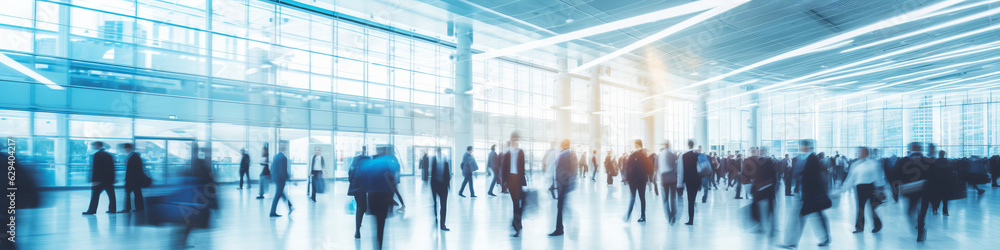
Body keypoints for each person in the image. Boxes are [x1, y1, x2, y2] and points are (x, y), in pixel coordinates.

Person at [780, 140, 831, 249]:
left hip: (811, 194)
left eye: (802, 146)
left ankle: (793, 242)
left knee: (807, 216)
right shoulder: (800, 158)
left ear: (807, 147)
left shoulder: (813, 159)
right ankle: (793, 241)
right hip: (802, 193)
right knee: (807, 216)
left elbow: (814, 177)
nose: (801, 147)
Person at [356, 145, 400, 249]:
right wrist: (391, 200)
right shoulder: (386, 163)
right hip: (383, 197)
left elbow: (363, 181)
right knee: (381, 224)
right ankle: (379, 245)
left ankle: (377, 245)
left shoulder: (370, 164)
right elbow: (392, 182)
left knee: (376, 223)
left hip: (372, 198)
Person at [177, 144, 218, 248]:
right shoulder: (200, 164)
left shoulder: (190, 163)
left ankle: (182, 241)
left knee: (189, 220)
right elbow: (208, 181)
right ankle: (182, 241)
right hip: (197, 197)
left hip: (192, 197)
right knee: (191, 221)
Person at [838, 147, 886, 233]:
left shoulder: (873, 163)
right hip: (860, 188)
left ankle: (878, 225)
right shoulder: (855, 164)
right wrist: (843, 189)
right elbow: (850, 178)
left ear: (866, 153)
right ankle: (859, 228)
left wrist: (880, 189)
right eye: (858, 152)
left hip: (871, 187)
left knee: (872, 207)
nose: (859, 153)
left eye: (860, 152)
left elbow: (877, 176)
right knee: (860, 208)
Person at [550, 139, 577, 236]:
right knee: (561, 206)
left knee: (560, 206)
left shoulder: (564, 154)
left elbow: (560, 169)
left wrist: (557, 184)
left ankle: (559, 229)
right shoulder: (570, 153)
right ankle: (560, 228)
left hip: (562, 184)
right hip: (564, 184)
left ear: (563, 145)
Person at [502, 132, 527, 237]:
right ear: (511, 140)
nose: (515, 142)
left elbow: (523, 167)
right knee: (516, 203)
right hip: (511, 180)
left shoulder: (521, 152)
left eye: (517, 140)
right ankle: (517, 226)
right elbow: (504, 169)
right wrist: (504, 183)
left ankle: (516, 222)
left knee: (522, 202)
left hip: (518, 180)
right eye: (514, 140)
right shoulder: (507, 153)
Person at [83, 141, 117, 215]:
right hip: (108, 179)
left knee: (95, 196)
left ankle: (91, 210)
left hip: (99, 180)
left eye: (93, 146)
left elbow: (96, 169)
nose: (92, 147)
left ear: (97, 146)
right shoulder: (109, 155)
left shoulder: (96, 155)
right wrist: (113, 178)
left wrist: (94, 180)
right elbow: (112, 168)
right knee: (111, 196)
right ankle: (112, 209)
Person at [624, 139, 653, 223]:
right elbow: (650, 168)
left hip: (633, 180)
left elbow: (628, 167)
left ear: (636, 145)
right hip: (642, 180)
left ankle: (628, 216)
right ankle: (643, 216)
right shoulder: (645, 156)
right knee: (642, 198)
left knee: (632, 198)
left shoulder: (633, 155)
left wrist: (628, 179)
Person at [750, 147, 778, 237]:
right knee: (757, 206)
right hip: (761, 188)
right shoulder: (758, 161)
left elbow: (773, 175)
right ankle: (761, 226)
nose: (761, 152)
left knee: (770, 208)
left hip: (768, 188)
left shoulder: (769, 161)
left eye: (762, 151)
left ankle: (772, 228)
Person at [348, 146, 372, 238]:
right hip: (364, 186)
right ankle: (357, 230)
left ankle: (358, 228)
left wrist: (353, 183)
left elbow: (350, 174)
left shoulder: (355, 160)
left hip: (355, 187)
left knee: (360, 207)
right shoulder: (367, 160)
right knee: (362, 208)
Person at [677, 140, 702, 225]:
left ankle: (691, 220)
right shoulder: (697, 155)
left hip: (688, 180)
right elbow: (700, 169)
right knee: (693, 198)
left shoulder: (683, 156)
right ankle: (692, 215)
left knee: (690, 200)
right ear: (693, 145)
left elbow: (681, 170)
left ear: (687, 145)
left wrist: (680, 184)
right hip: (696, 180)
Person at [120, 143, 147, 213]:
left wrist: (127, 179)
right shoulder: (134, 156)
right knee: (137, 193)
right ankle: (139, 207)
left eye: (124, 148)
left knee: (130, 193)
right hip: (135, 179)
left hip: (132, 179)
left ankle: (127, 208)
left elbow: (132, 170)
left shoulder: (133, 156)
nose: (124, 150)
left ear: (128, 148)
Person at [269, 142, 294, 217]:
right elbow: (283, 170)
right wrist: (287, 178)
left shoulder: (275, 156)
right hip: (281, 179)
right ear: (285, 149)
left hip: (275, 178)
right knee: (278, 195)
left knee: (281, 193)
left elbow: (272, 167)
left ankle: (290, 206)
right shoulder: (283, 158)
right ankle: (272, 212)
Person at [657, 141, 680, 224]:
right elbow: (676, 167)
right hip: (673, 179)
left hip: (664, 178)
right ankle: (673, 214)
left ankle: (669, 217)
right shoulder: (673, 155)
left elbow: (657, 168)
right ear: (669, 146)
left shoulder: (659, 155)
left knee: (665, 199)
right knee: (673, 198)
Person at [430, 147, 452, 231]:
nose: (439, 152)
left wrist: (448, 184)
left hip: (443, 186)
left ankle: (442, 224)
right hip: (435, 185)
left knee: (443, 205)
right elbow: (432, 173)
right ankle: (436, 216)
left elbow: (448, 173)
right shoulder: (434, 159)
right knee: (435, 203)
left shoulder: (445, 160)